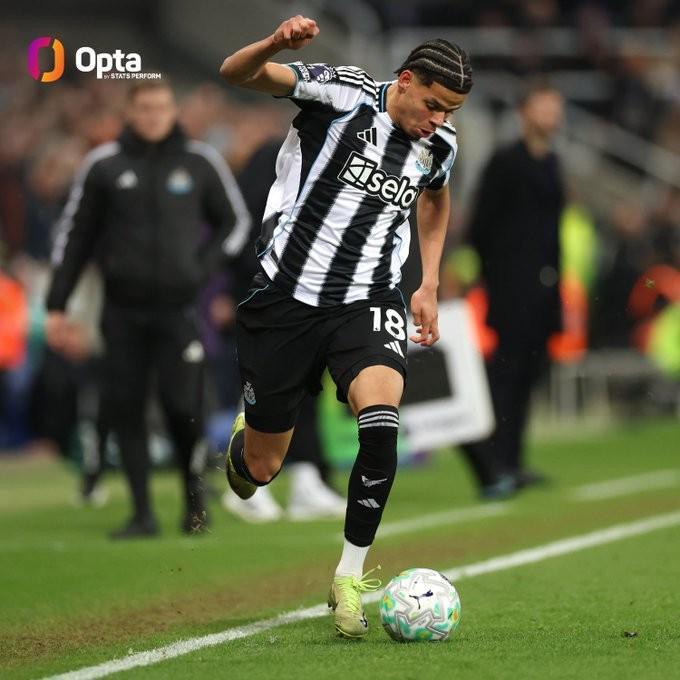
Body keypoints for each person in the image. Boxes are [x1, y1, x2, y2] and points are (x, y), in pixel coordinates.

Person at [219, 15, 472, 637]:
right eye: (434, 105)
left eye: (451, 111)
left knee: (381, 427)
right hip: (286, 298)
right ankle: (248, 442)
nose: (439, 120)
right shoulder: (342, 93)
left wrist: (428, 282)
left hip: (368, 300)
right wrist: (275, 44)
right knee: (260, 471)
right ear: (405, 80)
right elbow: (236, 73)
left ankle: (348, 577)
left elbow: (436, 198)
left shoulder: (439, 144)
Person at [45, 81, 251, 538]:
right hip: (122, 310)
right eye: (145, 108)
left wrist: (201, 268)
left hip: (179, 309)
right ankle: (141, 514)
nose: (154, 115)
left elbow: (235, 222)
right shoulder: (104, 165)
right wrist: (57, 304)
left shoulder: (199, 161)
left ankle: (194, 501)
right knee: (127, 407)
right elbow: (75, 236)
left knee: (183, 407)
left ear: (173, 110)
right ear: (130, 112)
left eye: (162, 107)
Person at [459, 82, 565, 496]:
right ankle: (496, 461)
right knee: (507, 374)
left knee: (530, 372)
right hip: (511, 287)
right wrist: (496, 275)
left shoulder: (552, 162)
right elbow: (481, 225)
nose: (551, 116)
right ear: (523, 111)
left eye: (555, 108)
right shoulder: (505, 161)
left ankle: (514, 460)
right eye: (544, 106)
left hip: (545, 288)